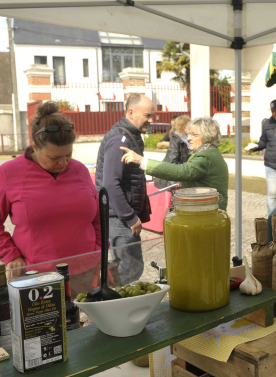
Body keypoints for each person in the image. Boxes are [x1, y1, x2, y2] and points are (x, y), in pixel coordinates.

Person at [0, 101, 101, 296]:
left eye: (68, 155)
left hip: (86, 272)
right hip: (36, 277)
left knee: (86, 325)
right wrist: (10, 254)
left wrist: (99, 249)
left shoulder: (79, 170)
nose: (63, 162)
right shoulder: (10, 172)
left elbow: (97, 216)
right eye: (54, 158)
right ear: (35, 146)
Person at [96, 93, 152, 285]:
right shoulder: (120, 139)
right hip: (118, 217)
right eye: (147, 115)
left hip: (119, 215)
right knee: (130, 267)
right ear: (131, 112)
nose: (150, 120)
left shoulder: (129, 135)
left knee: (124, 267)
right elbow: (110, 184)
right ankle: (117, 308)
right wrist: (129, 217)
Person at [121, 117, 228, 210]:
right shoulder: (211, 152)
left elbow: (182, 171)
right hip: (207, 212)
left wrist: (142, 161)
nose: (189, 138)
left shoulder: (206, 156)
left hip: (206, 216)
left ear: (207, 136)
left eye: (194, 135)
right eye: (189, 134)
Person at [154, 115, 191, 189]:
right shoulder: (176, 140)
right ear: (182, 127)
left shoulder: (186, 139)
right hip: (177, 182)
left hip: (183, 178)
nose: (191, 127)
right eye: (189, 125)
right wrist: (186, 169)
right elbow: (172, 162)